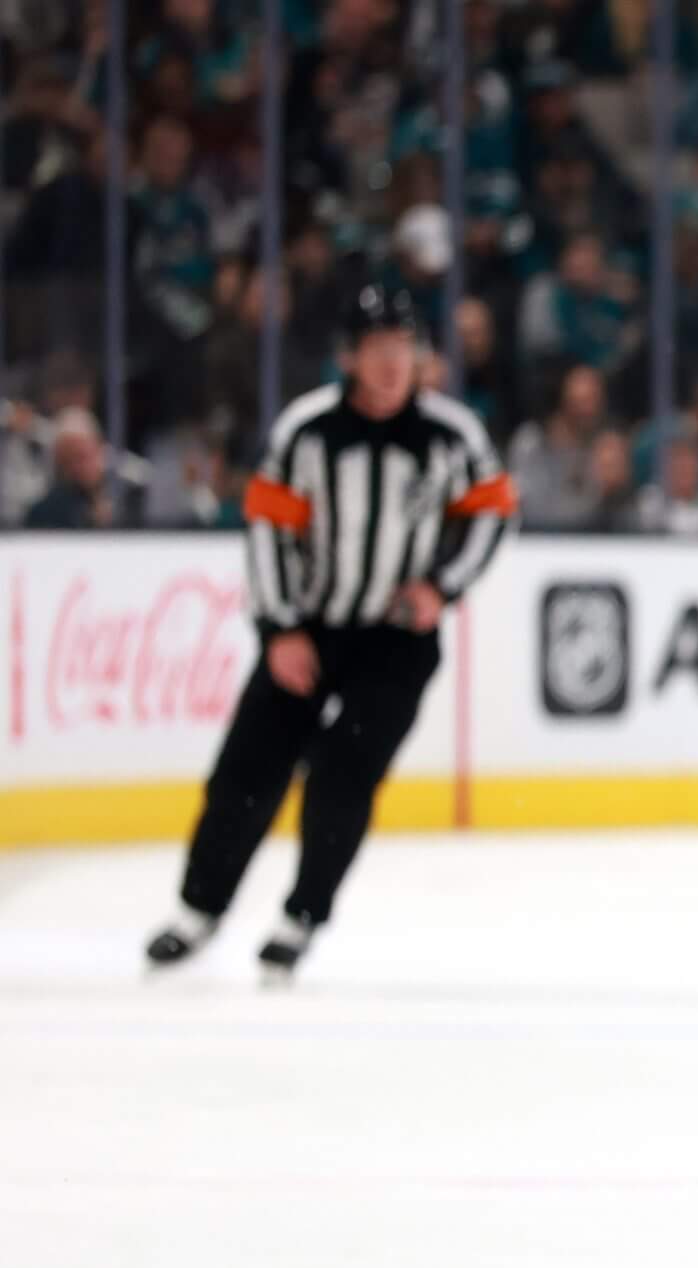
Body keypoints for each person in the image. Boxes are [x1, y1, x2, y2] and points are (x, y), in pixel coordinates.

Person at [145, 286, 518, 982]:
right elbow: (265, 529)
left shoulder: (451, 433)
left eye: (403, 349)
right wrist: (280, 627)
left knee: (344, 775)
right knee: (247, 772)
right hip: (309, 630)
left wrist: (442, 585)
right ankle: (199, 910)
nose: (391, 363)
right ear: (348, 357)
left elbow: (495, 510)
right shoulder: (305, 431)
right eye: (377, 350)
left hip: (397, 642)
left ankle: (303, 914)